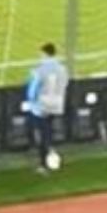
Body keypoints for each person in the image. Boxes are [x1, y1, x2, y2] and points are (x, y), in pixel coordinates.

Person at [23, 42, 68, 173]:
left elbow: (32, 90)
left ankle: (46, 160)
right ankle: (49, 154)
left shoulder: (39, 70)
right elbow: (64, 84)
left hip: (41, 106)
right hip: (56, 103)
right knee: (47, 131)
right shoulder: (62, 68)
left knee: (41, 133)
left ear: (44, 54)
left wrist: (30, 101)